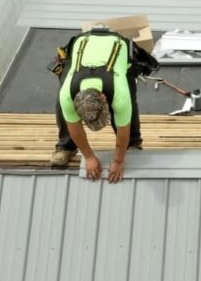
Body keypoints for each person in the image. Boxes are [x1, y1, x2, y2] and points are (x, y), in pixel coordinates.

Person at [50, 29, 143, 183]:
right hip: (83, 46)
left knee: (128, 106)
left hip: (116, 45)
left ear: (104, 98)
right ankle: (66, 147)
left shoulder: (119, 92)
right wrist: (89, 157)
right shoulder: (67, 95)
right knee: (62, 107)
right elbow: (75, 129)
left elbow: (123, 130)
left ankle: (132, 144)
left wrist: (118, 161)